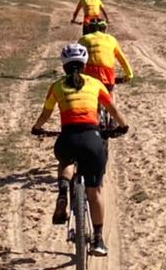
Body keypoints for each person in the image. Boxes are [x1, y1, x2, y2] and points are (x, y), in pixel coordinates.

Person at [31, 42, 128, 257]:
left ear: (64, 66)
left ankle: (63, 191)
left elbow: (46, 113)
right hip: (92, 140)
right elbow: (112, 108)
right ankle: (98, 240)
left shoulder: (56, 87)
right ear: (84, 65)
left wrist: (37, 128)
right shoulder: (95, 84)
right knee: (95, 193)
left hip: (68, 139)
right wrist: (123, 126)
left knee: (65, 162)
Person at [79, 19, 133, 91]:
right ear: (104, 29)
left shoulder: (84, 39)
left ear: (89, 29)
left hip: (89, 72)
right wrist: (129, 75)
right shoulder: (111, 39)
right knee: (110, 96)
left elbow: (77, 58)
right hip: (107, 73)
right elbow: (122, 59)